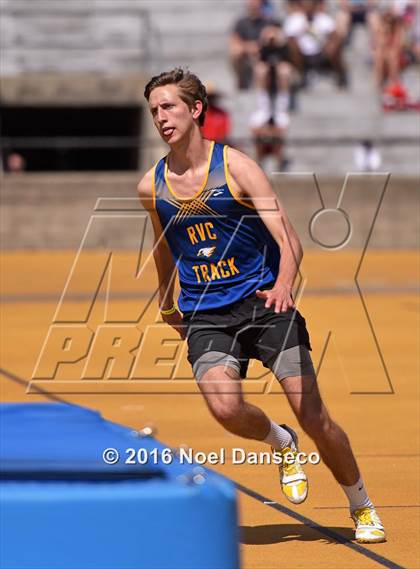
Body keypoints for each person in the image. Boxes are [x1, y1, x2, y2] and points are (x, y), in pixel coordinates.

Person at [137, 68, 386, 544]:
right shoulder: (153, 186)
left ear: (195, 110)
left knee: (313, 414)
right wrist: (167, 303)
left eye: (168, 106)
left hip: (264, 302)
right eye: (153, 110)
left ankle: (361, 503)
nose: (160, 117)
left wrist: (284, 285)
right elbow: (164, 245)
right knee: (226, 410)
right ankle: (280, 441)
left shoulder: (237, 168)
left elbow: (290, 240)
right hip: (206, 311)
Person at [229, 0, 279, 89]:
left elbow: (272, 39)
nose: (252, 6)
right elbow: (234, 40)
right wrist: (248, 47)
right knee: (235, 51)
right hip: (246, 53)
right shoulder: (241, 22)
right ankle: (241, 80)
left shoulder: (269, 22)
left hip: (263, 55)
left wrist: (258, 46)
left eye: (255, 3)